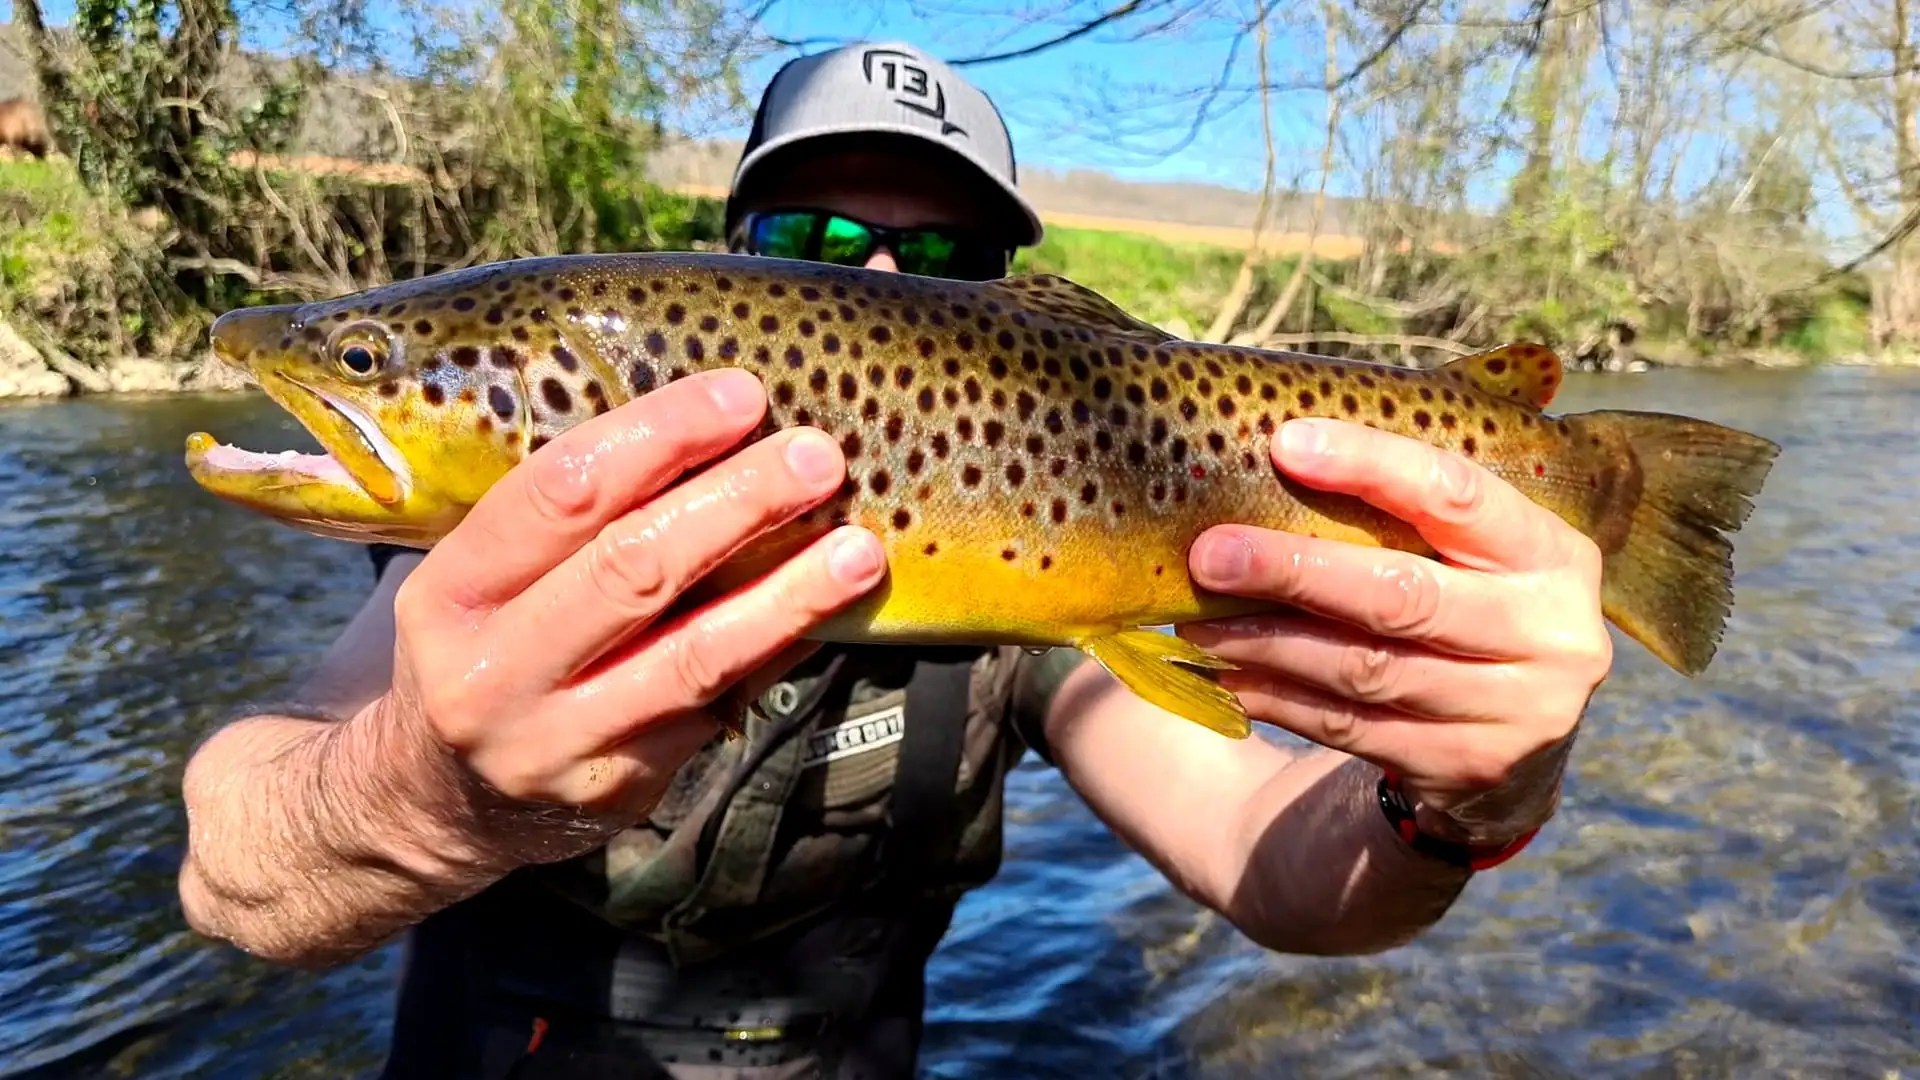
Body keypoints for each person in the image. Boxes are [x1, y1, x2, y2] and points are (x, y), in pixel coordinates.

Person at [176, 41, 1609, 1078]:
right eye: (810, 236)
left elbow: (1274, 864)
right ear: (726, 258)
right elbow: (235, 870)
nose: (868, 281)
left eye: (943, 262)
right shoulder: (489, 567)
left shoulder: (1051, 596)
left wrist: (1463, 802)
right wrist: (426, 791)